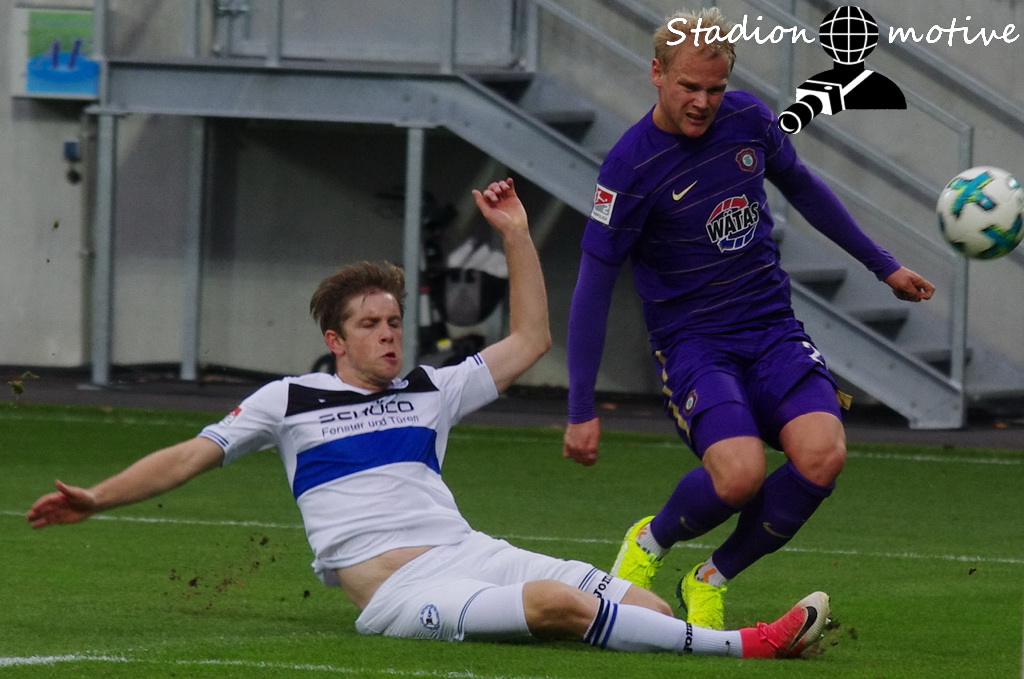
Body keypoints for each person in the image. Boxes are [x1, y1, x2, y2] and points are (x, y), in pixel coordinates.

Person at [27, 178, 828, 658]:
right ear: (335, 340)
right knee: (559, 604)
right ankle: (750, 645)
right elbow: (184, 457)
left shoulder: (429, 387)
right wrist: (97, 496)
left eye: (394, 321)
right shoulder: (287, 399)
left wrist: (516, 235)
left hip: (473, 551)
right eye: (371, 325)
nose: (389, 334)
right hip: (401, 592)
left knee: (646, 608)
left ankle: (707, 632)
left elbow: (531, 340)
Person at [562, 8, 935, 630]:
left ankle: (709, 578)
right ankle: (649, 542)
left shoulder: (750, 120)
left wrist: (884, 266)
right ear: (657, 73)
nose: (702, 102)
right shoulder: (629, 168)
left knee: (823, 456)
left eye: (715, 88)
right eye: (689, 86)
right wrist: (580, 407)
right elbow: (593, 286)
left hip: (772, 330)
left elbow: (804, 187)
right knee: (739, 477)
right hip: (694, 345)